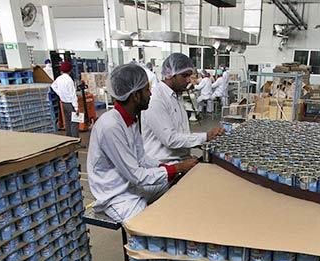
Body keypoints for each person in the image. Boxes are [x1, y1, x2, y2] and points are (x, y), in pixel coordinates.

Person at [87, 64, 198, 223]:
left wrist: (170, 168)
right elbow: (136, 175)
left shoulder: (131, 119)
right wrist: (176, 168)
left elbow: (142, 158)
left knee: (178, 182)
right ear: (135, 96)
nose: (151, 93)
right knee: (149, 227)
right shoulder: (110, 126)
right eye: (147, 90)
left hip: (132, 185)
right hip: (117, 195)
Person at [141, 53, 225, 163]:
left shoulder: (176, 96)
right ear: (170, 74)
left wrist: (200, 143)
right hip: (162, 166)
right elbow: (170, 139)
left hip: (180, 160)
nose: (188, 80)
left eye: (189, 75)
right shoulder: (156, 99)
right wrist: (205, 137)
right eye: (184, 76)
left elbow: (182, 134)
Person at [51, 61, 79, 138]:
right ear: (70, 70)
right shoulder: (69, 80)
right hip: (70, 104)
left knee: (67, 122)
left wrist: (60, 93)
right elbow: (73, 94)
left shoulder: (59, 79)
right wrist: (76, 107)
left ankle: (69, 138)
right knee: (75, 122)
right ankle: (75, 141)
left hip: (63, 103)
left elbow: (53, 86)